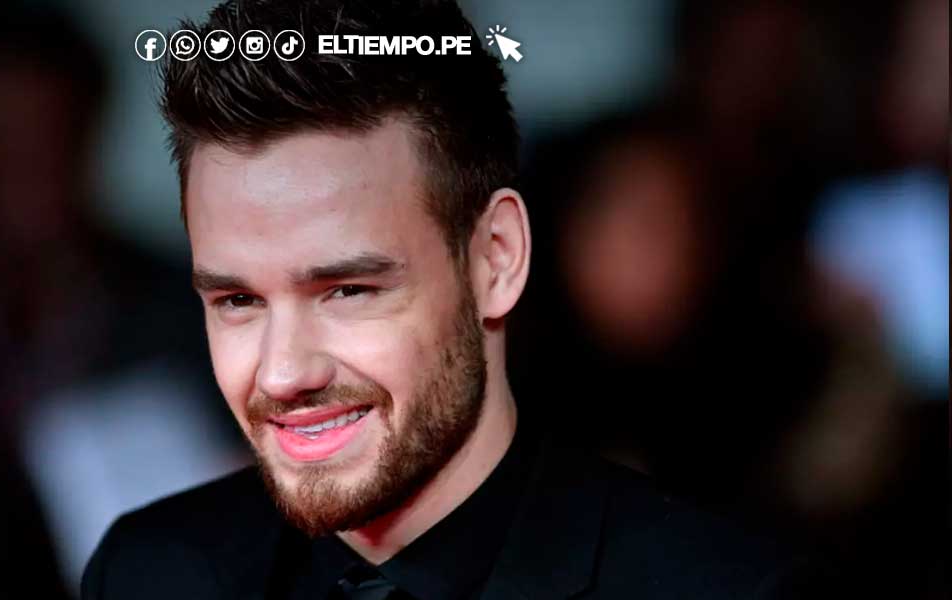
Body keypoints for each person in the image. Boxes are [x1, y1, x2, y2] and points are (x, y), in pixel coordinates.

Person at [82, 1, 834, 598]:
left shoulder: (720, 588)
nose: (282, 373)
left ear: (495, 260)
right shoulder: (150, 573)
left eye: (347, 290)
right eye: (238, 301)